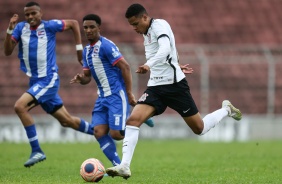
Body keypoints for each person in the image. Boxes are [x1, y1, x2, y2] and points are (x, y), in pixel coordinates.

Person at [106, 3, 242, 179]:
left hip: (175, 86)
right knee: (133, 120)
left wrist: (149, 64)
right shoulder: (146, 34)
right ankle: (124, 166)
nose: (134, 28)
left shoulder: (159, 25)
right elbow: (169, 52)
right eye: (131, 25)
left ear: (145, 17)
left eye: (135, 24)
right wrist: (176, 64)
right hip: (155, 87)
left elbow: (165, 48)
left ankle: (226, 109)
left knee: (199, 128)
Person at [3, 1, 94, 168]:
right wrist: (9, 29)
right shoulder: (20, 28)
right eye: (27, 14)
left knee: (19, 107)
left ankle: (37, 150)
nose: (30, 17)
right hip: (35, 81)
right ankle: (101, 133)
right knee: (67, 121)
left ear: (41, 13)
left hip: (49, 79)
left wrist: (79, 50)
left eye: (33, 13)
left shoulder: (50, 26)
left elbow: (73, 24)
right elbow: (7, 51)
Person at [70, 14, 154, 167]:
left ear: (99, 28)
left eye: (92, 27)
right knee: (99, 132)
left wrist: (129, 93)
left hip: (116, 94)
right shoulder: (87, 51)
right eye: (86, 28)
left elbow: (125, 66)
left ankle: (136, 116)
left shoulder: (106, 46)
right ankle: (118, 165)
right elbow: (88, 77)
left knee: (116, 135)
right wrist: (81, 79)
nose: (88, 30)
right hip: (102, 97)